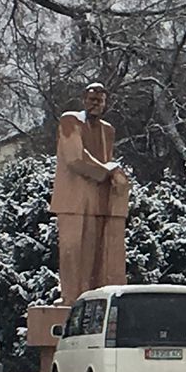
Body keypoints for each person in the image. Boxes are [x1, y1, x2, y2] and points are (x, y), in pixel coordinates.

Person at [49, 83, 130, 303]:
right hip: (72, 200)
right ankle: (70, 299)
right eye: (92, 99)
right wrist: (107, 172)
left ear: (105, 104)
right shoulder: (70, 121)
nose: (96, 104)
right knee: (72, 252)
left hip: (97, 201)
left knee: (93, 257)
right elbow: (75, 158)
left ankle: (92, 299)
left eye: (100, 100)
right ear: (84, 100)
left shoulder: (107, 130)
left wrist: (113, 174)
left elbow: (107, 158)